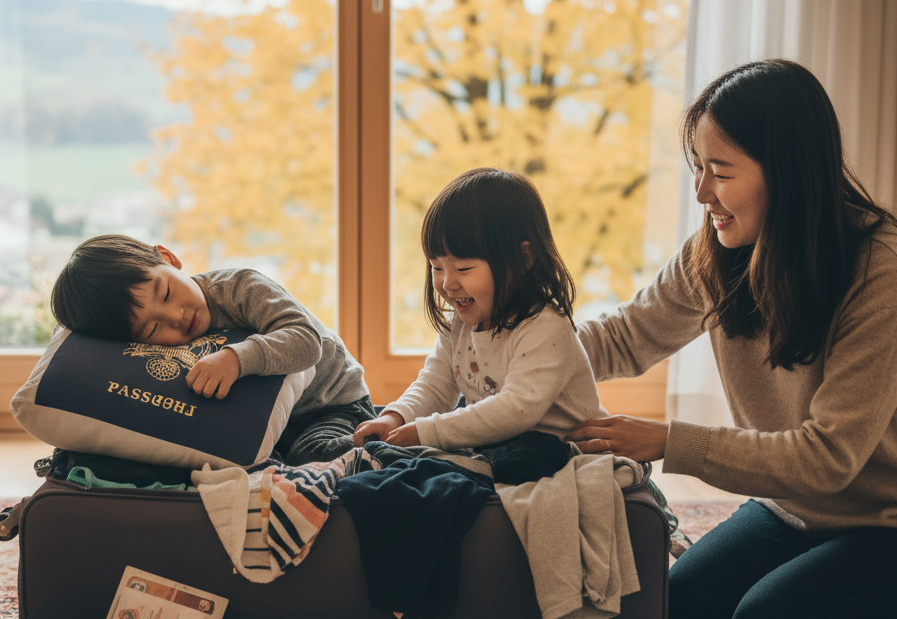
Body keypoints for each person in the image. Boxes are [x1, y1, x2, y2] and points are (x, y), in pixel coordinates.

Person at [567, 58, 897, 619]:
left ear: (788, 173)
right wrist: (519, 357)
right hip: (791, 507)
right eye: (697, 167)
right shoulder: (719, 250)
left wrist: (667, 440)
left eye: (720, 172)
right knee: (686, 610)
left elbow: (829, 458)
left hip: (881, 520)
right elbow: (625, 335)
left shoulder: (878, 271)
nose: (701, 194)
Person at [50, 235, 375, 465]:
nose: (176, 316)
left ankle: (389, 444)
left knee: (309, 455)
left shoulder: (240, 288)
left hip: (332, 405)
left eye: (166, 293)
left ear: (169, 259)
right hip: (271, 421)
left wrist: (236, 358)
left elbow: (306, 341)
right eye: (152, 329)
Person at [354, 168, 606, 463]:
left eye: (463, 268)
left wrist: (426, 432)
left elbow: (515, 410)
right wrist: (395, 418)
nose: (447, 283)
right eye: (437, 268)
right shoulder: (459, 323)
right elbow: (435, 385)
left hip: (567, 453)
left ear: (523, 259)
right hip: (502, 450)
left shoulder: (545, 326)